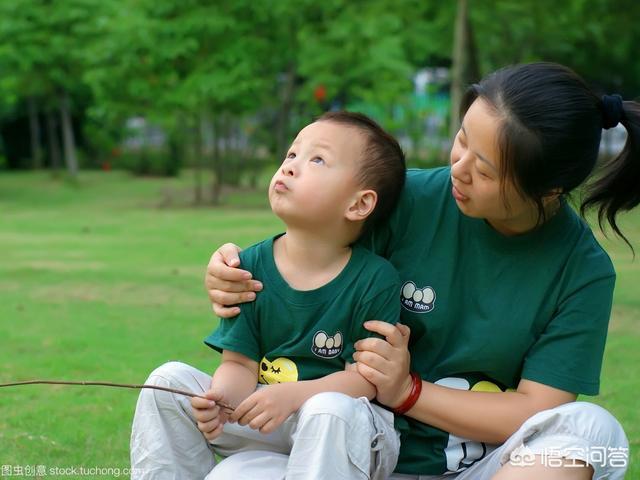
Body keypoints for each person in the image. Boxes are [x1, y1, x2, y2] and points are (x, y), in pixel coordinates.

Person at [204, 62, 635, 479]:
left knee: (592, 431)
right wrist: (231, 272)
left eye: (483, 169)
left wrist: (408, 391)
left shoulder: (582, 271)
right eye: (462, 140)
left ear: (547, 190)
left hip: (484, 467)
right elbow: (301, 265)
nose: (458, 169)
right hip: (351, 449)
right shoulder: (407, 200)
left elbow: (534, 408)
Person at [130, 111, 407, 479]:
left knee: (327, 409)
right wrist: (222, 401)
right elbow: (239, 364)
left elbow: (367, 380)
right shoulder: (248, 267)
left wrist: (294, 396)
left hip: (343, 432)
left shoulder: (375, 279)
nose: (290, 167)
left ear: (358, 204)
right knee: (166, 383)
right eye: (291, 155)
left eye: (317, 159)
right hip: (265, 417)